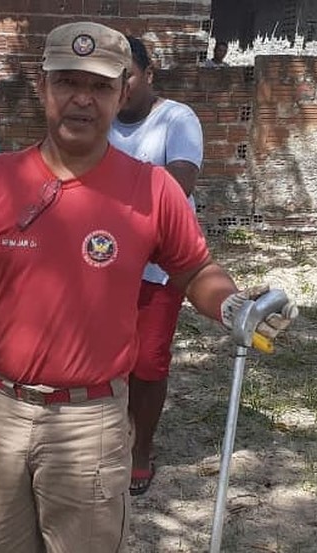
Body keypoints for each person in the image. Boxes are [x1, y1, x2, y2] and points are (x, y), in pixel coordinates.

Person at [0, 21, 297, 553]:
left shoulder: (152, 189)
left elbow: (193, 270)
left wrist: (233, 303)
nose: (82, 99)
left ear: (123, 91)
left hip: (91, 420)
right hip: (2, 409)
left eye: (99, 86)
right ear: (41, 86)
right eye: (67, 82)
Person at [108, 36, 204, 496]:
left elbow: (178, 184)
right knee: (110, 357)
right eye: (111, 75)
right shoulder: (98, 118)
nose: (118, 83)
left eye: (126, 73)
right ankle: (115, 435)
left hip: (158, 266)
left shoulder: (176, 119)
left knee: (147, 361)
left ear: (148, 73)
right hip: (102, 263)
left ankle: (141, 447)